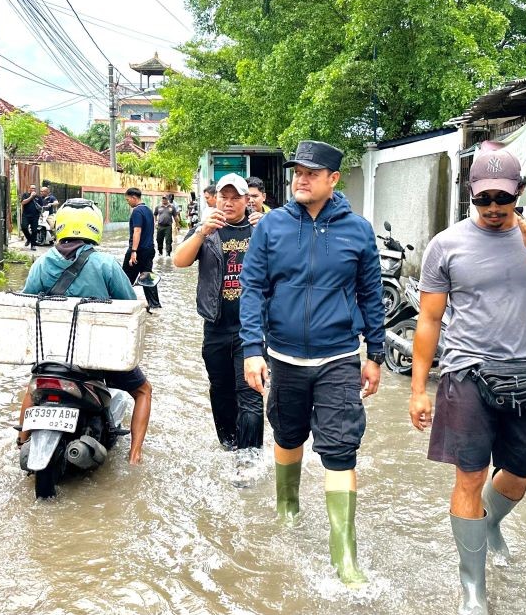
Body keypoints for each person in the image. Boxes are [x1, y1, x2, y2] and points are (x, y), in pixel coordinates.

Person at [409, 141, 526, 615]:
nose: (493, 208)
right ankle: (472, 591)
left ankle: (487, 524)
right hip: (466, 374)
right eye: (483, 198)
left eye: (502, 198)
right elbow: (428, 320)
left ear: (519, 192)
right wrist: (419, 387)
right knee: (469, 477)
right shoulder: (446, 245)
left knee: (521, 476)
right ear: (471, 194)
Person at [240, 140, 384, 588]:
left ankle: (344, 555)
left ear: (333, 179)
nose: (300, 179)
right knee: (286, 432)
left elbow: (371, 295)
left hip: (339, 356)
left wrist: (375, 354)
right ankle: (287, 510)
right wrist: (250, 349)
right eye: (297, 171)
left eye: (311, 172)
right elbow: (253, 289)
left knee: (340, 449)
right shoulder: (272, 227)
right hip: (282, 355)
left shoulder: (358, 230)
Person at [16, 198, 153, 464]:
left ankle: (21, 441)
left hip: (53, 356)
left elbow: (25, 305)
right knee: (143, 391)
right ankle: (135, 457)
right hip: (99, 359)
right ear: (94, 226)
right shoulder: (106, 264)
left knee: (32, 389)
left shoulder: (42, 264)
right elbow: (129, 305)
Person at [174, 173, 264, 486]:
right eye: (223, 196)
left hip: (251, 331)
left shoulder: (259, 229)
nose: (228, 202)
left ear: (246, 200)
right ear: (216, 199)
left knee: (250, 393)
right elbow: (179, 261)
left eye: (235, 197)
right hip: (215, 327)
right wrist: (201, 232)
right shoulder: (207, 231)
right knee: (221, 391)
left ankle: (249, 460)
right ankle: (229, 446)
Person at [123, 187, 161, 310]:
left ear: (134, 198)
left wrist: (133, 251)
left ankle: (122, 303)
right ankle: (154, 305)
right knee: (147, 277)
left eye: (128, 199)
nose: (127, 202)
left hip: (138, 251)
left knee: (125, 278)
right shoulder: (148, 210)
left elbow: (137, 231)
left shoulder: (137, 211)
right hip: (149, 249)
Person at [20, 184, 41, 250]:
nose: (33, 189)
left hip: (35, 216)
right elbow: (23, 203)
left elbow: (41, 207)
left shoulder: (38, 197)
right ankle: (29, 239)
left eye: (34, 188)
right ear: (29, 189)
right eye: (32, 188)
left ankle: (33, 245)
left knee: (34, 231)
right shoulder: (25, 195)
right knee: (24, 227)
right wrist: (31, 197)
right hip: (26, 215)